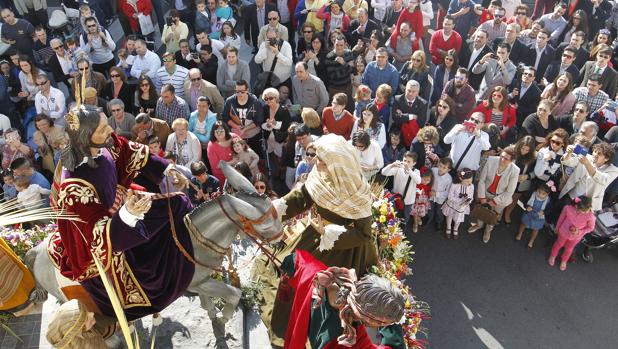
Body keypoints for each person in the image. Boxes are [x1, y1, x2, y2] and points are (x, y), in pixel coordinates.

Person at [50, 105, 195, 320]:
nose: (110, 130)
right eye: (102, 129)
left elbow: (129, 149)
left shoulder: (103, 144)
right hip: (110, 232)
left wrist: (166, 168)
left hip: (124, 205)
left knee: (176, 204)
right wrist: (128, 215)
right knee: (143, 279)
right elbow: (96, 234)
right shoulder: (74, 186)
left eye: (106, 123)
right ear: (85, 137)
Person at [281, 250, 405, 349]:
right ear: (368, 316)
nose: (383, 326)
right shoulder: (346, 338)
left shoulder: (326, 276)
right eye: (382, 323)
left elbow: (296, 259)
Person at [468, 146, 520, 243]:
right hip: (486, 193)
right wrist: (483, 198)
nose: (502, 160)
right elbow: (482, 180)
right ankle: (479, 225)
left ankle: (488, 231)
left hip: (500, 198)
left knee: (494, 215)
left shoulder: (515, 170)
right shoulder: (491, 160)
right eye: (502, 156)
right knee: (482, 210)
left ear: (512, 161)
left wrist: (493, 202)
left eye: (506, 159)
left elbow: (509, 192)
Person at [559, 142, 618, 212]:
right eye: (595, 151)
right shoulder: (587, 157)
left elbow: (603, 179)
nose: (595, 154)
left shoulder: (614, 170)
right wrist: (568, 153)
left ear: (606, 158)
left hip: (586, 206)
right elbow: (567, 162)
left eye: (599, 154)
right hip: (570, 195)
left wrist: (587, 164)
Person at [549, 196, 595, 271]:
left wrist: (579, 231)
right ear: (576, 206)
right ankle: (553, 255)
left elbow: (590, 228)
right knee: (558, 244)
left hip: (576, 237)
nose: (587, 212)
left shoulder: (590, 216)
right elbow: (561, 218)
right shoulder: (567, 208)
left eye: (588, 210)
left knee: (569, 249)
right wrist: (557, 227)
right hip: (563, 232)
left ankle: (564, 260)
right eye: (584, 211)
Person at [381, 151, 422, 234]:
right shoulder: (398, 169)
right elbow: (384, 172)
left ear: (414, 163)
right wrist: (391, 165)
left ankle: (403, 231)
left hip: (408, 200)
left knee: (405, 217)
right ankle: (394, 232)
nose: (406, 163)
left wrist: (409, 170)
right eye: (404, 160)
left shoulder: (416, 171)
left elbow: (418, 181)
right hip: (396, 198)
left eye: (409, 161)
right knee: (394, 215)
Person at [222, 80, 265, 157]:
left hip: (253, 135)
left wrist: (245, 129)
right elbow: (225, 117)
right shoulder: (229, 101)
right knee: (237, 157)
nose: (239, 94)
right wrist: (236, 127)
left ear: (247, 90)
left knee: (255, 156)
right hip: (236, 135)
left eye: (242, 92)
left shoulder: (255, 102)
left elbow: (259, 121)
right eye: (237, 92)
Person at [502, 136, 537, 224]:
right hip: (508, 179)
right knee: (503, 195)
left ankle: (507, 214)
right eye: (523, 148)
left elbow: (536, 172)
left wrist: (527, 176)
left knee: (514, 199)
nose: (524, 151)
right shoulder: (511, 150)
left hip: (520, 183)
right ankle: (499, 213)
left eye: (527, 150)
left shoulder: (534, 157)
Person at [261, 87, 290, 179]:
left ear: (276, 98)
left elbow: (286, 126)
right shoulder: (265, 108)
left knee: (281, 156)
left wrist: (274, 124)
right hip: (268, 138)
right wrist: (268, 125)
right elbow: (261, 124)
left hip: (279, 139)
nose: (268, 100)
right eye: (266, 99)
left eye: (270, 98)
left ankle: (282, 171)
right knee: (272, 154)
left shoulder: (284, 110)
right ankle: (277, 169)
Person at [392, 80, 428, 148]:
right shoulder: (397, 99)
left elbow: (421, 123)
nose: (410, 93)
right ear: (405, 89)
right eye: (409, 90)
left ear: (418, 92)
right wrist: (411, 116)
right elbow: (395, 117)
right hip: (399, 132)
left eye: (413, 91)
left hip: (413, 135)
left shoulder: (423, 103)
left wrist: (402, 115)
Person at [442, 168, 474, 239]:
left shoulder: (471, 186)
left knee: (458, 218)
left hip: (462, 207)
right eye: (467, 181)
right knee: (450, 215)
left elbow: (471, 196)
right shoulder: (455, 185)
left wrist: (468, 201)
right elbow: (450, 196)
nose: (470, 182)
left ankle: (456, 228)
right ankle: (448, 227)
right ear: (460, 178)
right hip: (453, 204)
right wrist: (459, 201)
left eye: (471, 180)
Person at [518, 183, 552, 248]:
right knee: (523, 224)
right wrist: (527, 206)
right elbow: (525, 200)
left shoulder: (549, 201)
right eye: (539, 192)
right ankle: (519, 234)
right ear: (537, 190)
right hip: (529, 213)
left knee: (536, 229)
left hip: (539, 217)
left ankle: (532, 240)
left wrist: (544, 212)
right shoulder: (532, 194)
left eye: (543, 194)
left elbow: (549, 210)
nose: (540, 195)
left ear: (547, 194)